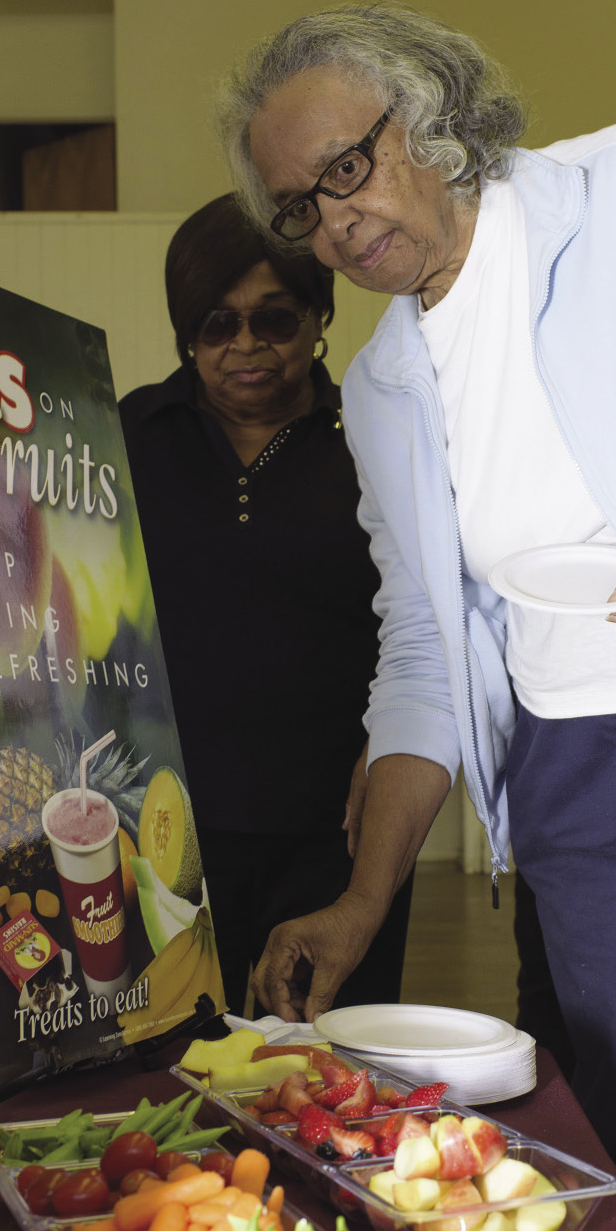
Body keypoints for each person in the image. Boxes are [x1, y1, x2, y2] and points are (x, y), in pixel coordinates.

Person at [216, 2, 616, 1231]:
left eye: (346, 171)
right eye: (298, 209)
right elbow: (426, 654)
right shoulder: (381, 386)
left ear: (430, 118)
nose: (331, 223)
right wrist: (365, 899)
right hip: (571, 781)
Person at [119, 192, 412, 1018]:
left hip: (336, 828)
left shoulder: (375, 440)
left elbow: (418, 622)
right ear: (186, 333)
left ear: (319, 316)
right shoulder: (126, 436)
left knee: (322, 1051)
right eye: (217, 324)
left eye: (275, 319)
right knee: (164, 1052)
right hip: (159, 825)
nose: (246, 345)